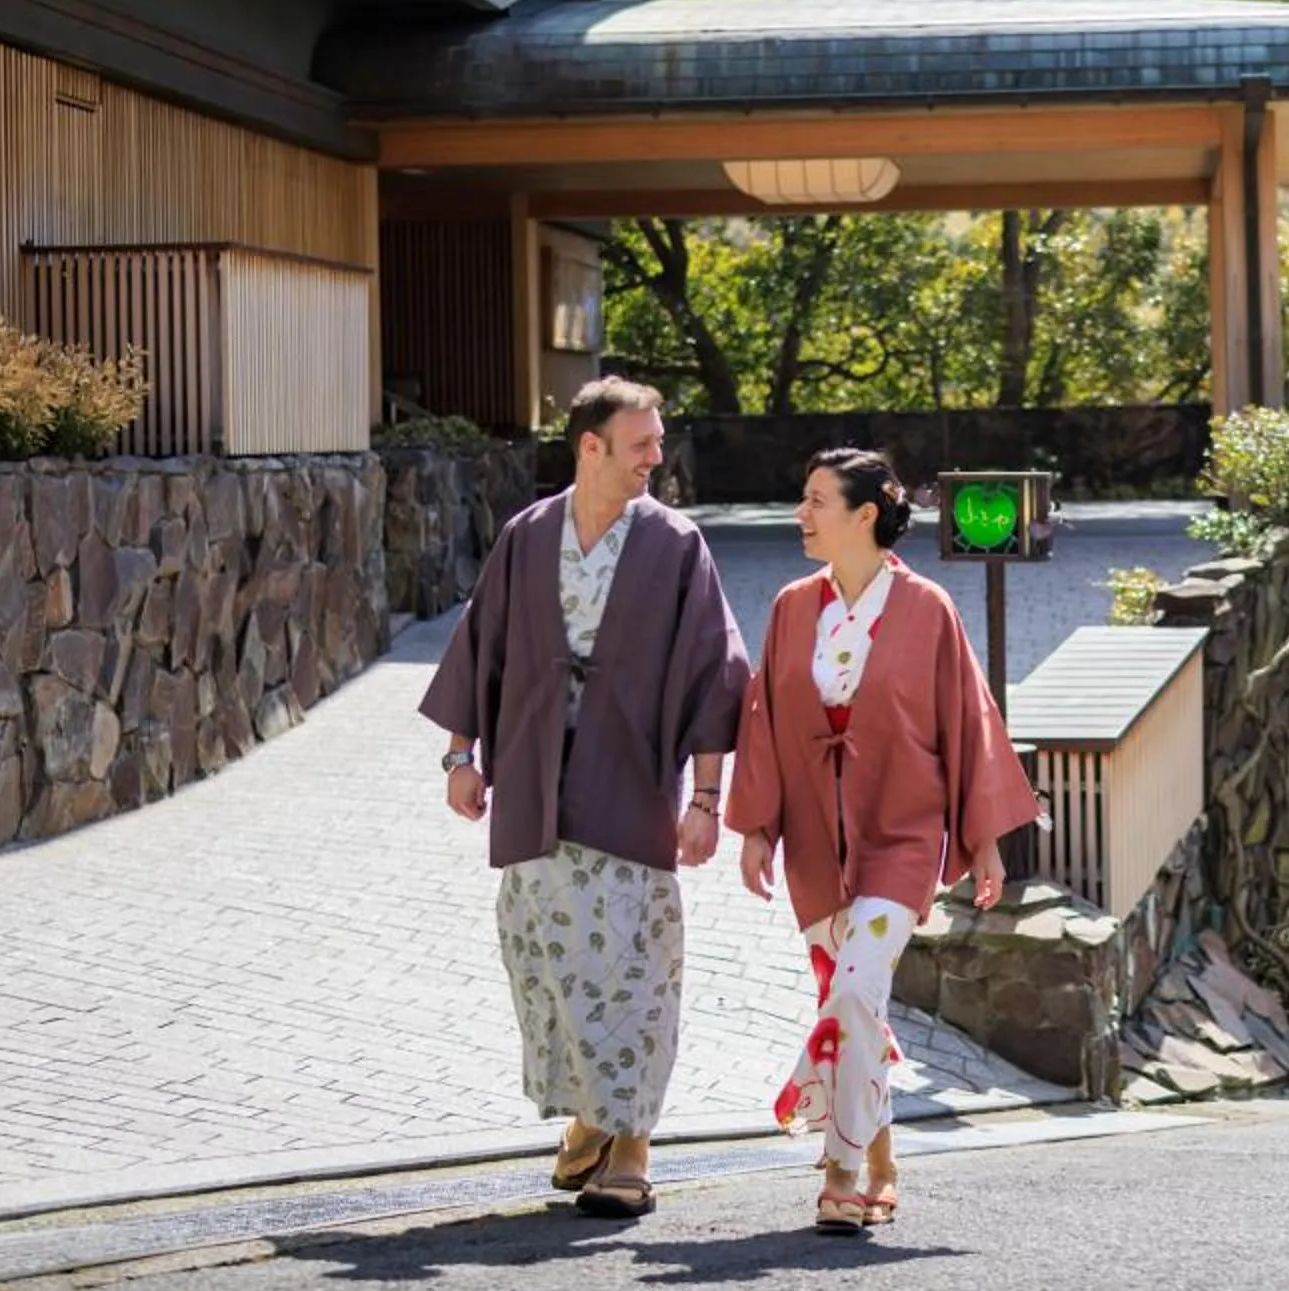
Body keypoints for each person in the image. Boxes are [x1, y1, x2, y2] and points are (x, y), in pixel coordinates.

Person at [418, 377, 747, 1221]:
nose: (656, 457)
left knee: (636, 964)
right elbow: (479, 647)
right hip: (532, 783)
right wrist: (460, 755)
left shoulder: (674, 546)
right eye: (641, 443)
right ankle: (590, 1115)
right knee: (544, 958)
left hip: (629, 782)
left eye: (658, 442)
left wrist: (706, 800)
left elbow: (714, 673)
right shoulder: (530, 536)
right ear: (590, 446)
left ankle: (631, 1141)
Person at [726, 448, 1037, 1235]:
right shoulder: (794, 606)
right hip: (815, 842)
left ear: (865, 515)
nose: (801, 514)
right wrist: (758, 825)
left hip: (903, 831)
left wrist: (986, 843)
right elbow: (762, 718)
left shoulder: (927, 607)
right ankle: (884, 1164)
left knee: (856, 992)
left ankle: (836, 1166)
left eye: (816, 500)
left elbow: (969, 721)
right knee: (853, 1006)